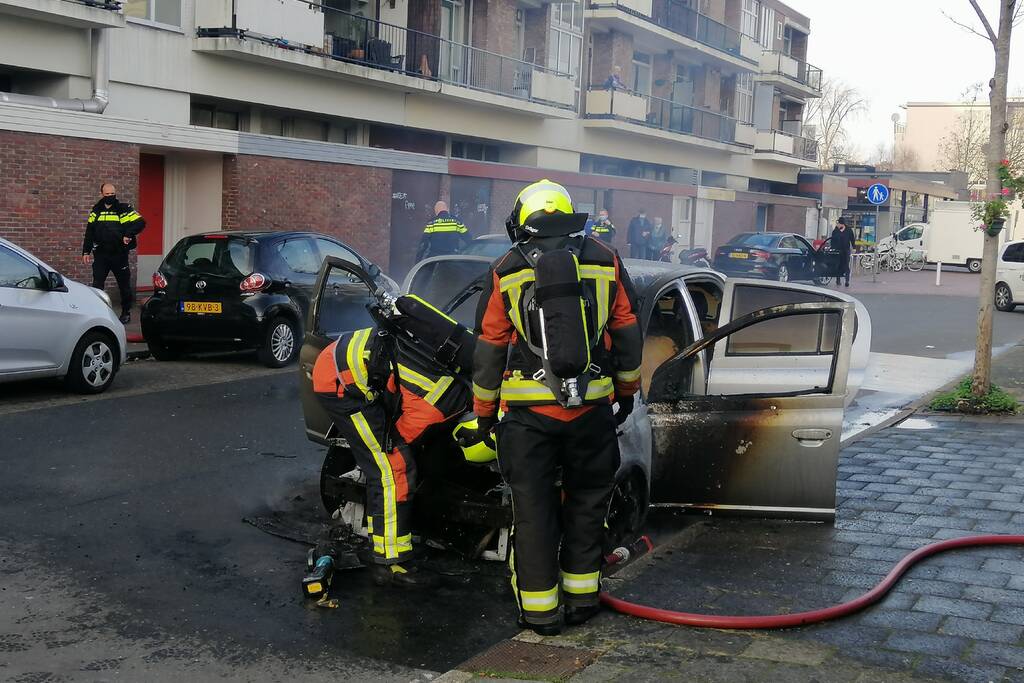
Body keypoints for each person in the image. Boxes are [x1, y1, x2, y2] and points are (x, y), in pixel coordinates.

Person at [470, 180, 643, 635]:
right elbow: (626, 328)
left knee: (533, 513)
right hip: (591, 412)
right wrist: (625, 394)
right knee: (589, 505)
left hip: (529, 419)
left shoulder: (507, 267)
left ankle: (542, 613)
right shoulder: (605, 259)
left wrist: (484, 413)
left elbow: (490, 345)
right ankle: (583, 600)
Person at [311, 294, 475, 588]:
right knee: (392, 468)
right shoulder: (440, 401)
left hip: (352, 366)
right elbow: (403, 437)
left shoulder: (457, 352)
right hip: (341, 385)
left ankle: (383, 534)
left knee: (392, 464)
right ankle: (389, 560)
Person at [82, 183, 145, 324]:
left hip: (119, 254)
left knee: (124, 285)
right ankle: (97, 312)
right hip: (101, 255)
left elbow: (141, 222)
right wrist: (86, 251)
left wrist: (128, 234)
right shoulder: (96, 210)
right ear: (101, 194)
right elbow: (89, 232)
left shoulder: (123, 209)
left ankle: (126, 312)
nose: (110, 196)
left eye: (112, 194)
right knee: (97, 284)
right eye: (107, 194)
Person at [831, 217, 856, 287]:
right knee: (838, 265)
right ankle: (838, 280)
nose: (837, 224)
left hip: (846, 250)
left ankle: (847, 281)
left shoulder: (849, 230)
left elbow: (852, 239)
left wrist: (854, 247)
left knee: (846, 265)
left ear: (842, 224)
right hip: (838, 251)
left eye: (838, 223)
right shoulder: (835, 231)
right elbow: (832, 241)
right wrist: (832, 248)